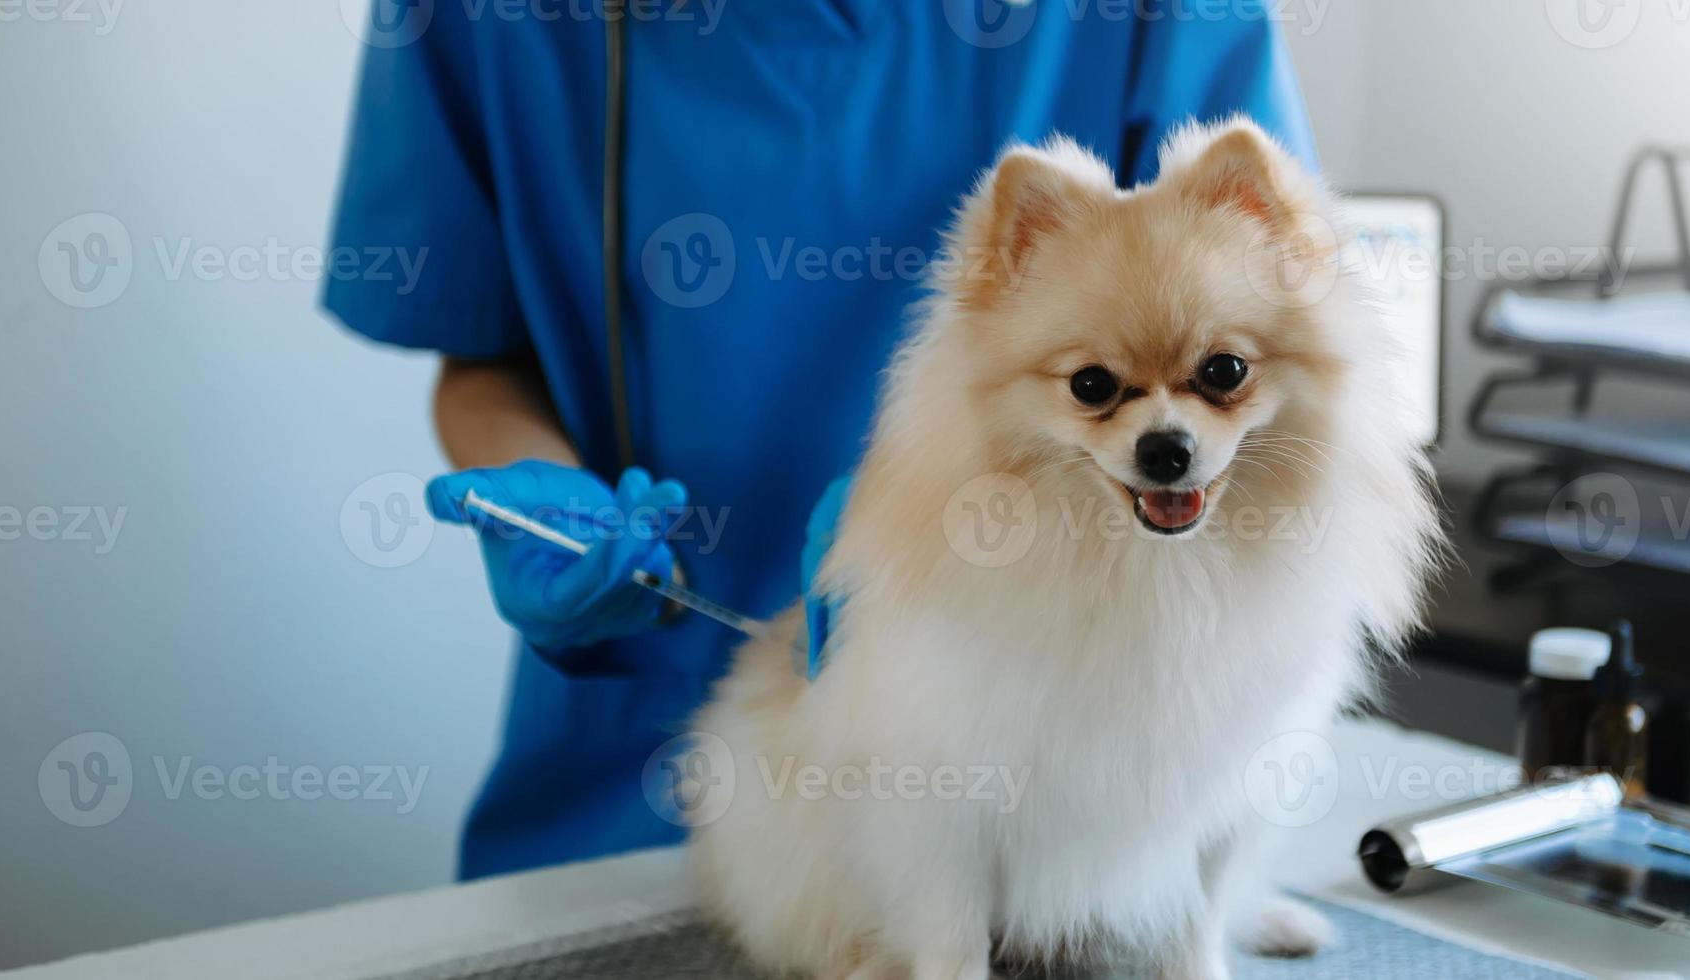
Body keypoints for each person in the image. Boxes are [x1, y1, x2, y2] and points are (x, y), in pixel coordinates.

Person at [324, 0, 1318, 881]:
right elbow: (480, 351)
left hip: (1029, 768)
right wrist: (533, 491)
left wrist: (928, 527)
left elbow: (1261, 343)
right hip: (628, 745)